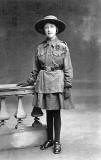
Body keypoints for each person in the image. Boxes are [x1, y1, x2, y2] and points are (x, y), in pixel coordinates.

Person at [17, 15, 73, 154]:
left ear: (57, 29)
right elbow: (36, 68)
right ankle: (49, 139)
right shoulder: (39, 47)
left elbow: (68, 68)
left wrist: (67, 85)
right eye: (46, 27)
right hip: (43, 82)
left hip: (57, 82)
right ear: (44, 30)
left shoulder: (63, 46)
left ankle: (57, 141)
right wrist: (29, 81)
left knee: (56, 113)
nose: (49, 29)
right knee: (48, 112)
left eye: (52, 27)